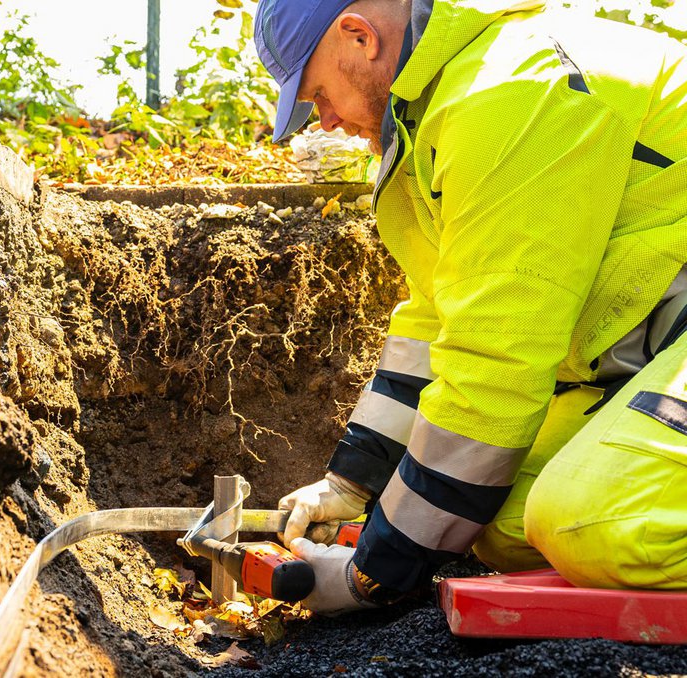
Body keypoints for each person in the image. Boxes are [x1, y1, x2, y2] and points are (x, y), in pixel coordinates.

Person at [254, 0, 687, 614]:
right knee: (507, 524)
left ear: (359, 37)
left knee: (598, 522)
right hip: (661, 345)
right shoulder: (440, 109)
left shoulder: (513, 92)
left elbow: (495, 370)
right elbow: (441, 318)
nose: (322, 121)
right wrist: (349, 486)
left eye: (317, 94)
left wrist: (370, 577)